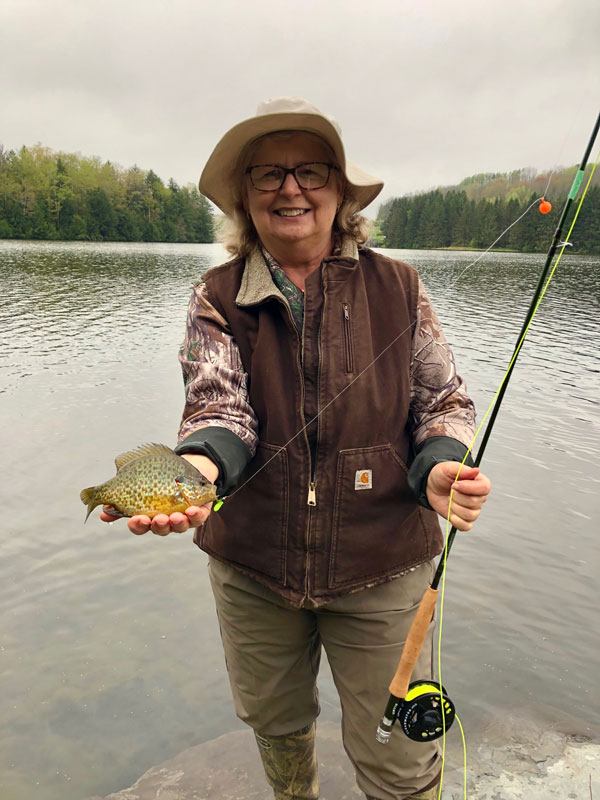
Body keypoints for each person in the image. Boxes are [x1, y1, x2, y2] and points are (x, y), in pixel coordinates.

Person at [102, 97, 491, 800]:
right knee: (277, 727)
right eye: (268, 175)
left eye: (310, 171)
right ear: (245, 201)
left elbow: (445, 403)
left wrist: (440, 468)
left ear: (340, 192)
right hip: (254, 566)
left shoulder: (400, 287)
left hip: (385, 563)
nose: (290, 188)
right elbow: (219, 405)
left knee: (402, 761)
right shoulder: (215, 295)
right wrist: (196, 469)